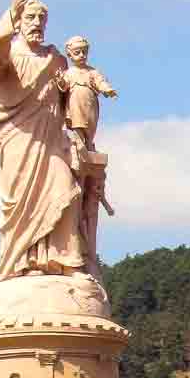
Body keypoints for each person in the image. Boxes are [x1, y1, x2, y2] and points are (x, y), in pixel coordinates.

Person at [0, 0, 87, 280]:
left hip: (51, 141)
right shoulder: (8, 55)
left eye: (41, 19)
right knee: (23, 203)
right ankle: (24, 263)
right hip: (19, 140)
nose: (37, 23)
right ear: (19, 21)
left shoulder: (56, 58)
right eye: (30, 18)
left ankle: (64, 261)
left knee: (65, 191)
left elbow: (70, 98)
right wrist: (10, 15)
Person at [59, 35, 118, 248]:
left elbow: (101, 82)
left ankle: (88, 144)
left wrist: (106, 89)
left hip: (90, 104)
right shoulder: (68, 73)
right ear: (69, 53)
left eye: (84, 51)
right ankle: (80, 144)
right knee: (77, 127)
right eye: (77, 52)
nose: (81, 55)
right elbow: (60, 88)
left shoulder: (92, 72)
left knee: (89, 127)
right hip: (74, 106)